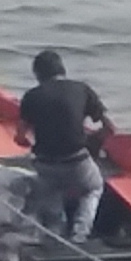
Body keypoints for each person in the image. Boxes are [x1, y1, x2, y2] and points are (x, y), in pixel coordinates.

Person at [13, 49, 112, 237]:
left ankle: (55, 234)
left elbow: (19, 137)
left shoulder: (31, 96)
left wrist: (27, 141)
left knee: (51, 197)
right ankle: (80, 234)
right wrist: (95, 138)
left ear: (37, 75)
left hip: (46, 164)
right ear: (62, 69)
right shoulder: (81, 89)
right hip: (77, 162)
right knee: (94, 188)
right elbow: (110, 128)